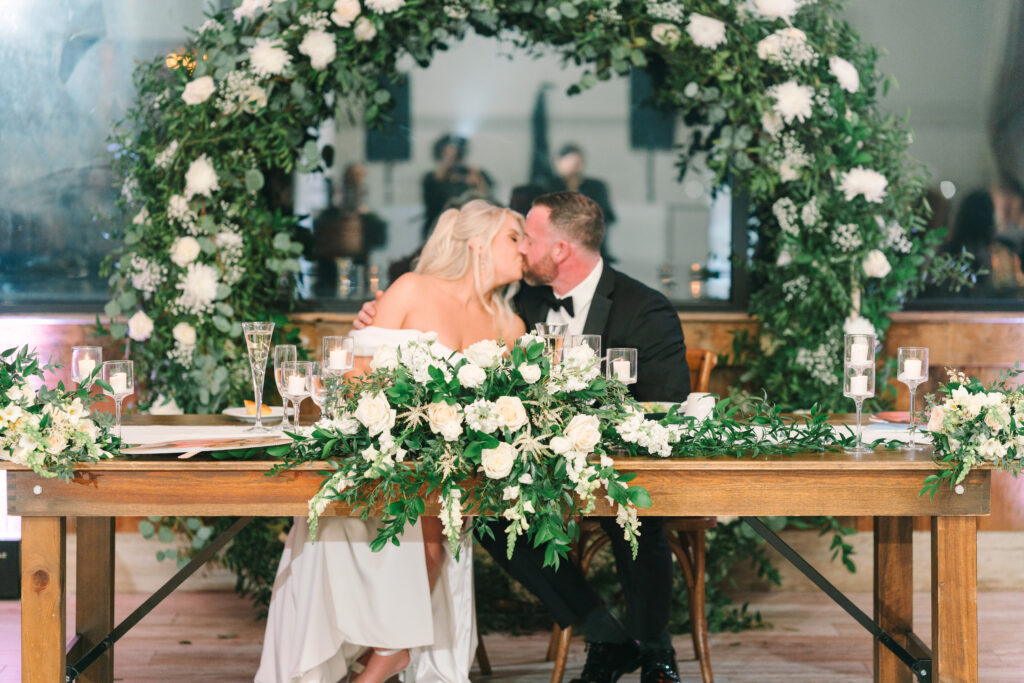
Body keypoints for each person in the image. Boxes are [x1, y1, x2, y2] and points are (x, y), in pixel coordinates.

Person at [356, 192, 690, 682]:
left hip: (615, 464)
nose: (519, 247)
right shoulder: (519, 306)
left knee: (635, 517)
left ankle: (657, 652)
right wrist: (375, 324)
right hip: (537, 463)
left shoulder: (646, 310)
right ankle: (605, 634)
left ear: (558, 251)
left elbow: (665, 408)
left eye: (527, 239)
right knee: (486, 510)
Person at [256, 199, 527, 683]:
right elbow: (353, 374)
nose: (525, 248)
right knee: (344, 519)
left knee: (430, 531)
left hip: (451, 469)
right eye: (514, 236)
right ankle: (370, 647)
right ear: (477, 243)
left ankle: (385, 658)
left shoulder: (512, 327)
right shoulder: (413, 289)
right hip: (381, 451)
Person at [547, 144, 617, 261]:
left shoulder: (596, 187)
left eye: (579, 162)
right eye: (571, 162)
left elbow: (605, 216)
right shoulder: (548, 186)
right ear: (558, 162)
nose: (575, 167)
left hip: (591, 247)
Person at [421, 135, 494, 240]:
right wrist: (441, 177)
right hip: (439, 228)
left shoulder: (474, 174)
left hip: (469, 227)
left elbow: (488, 200)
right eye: (447, 154)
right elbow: (431, 204)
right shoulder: (433, 177)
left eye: (455, 155)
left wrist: (477, 180)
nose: (452, 159)